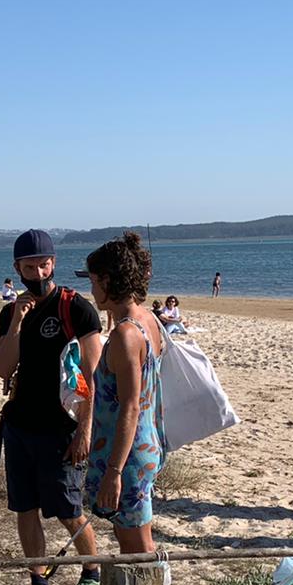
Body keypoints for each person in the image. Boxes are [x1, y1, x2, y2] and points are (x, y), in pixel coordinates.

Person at [0, 228, 104, 585]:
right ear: (17, 268)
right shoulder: (11, 311)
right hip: (21, 424)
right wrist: (16, 323)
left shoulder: (76, 308)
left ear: (53, 263)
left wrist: (85, 430)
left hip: (61, 428)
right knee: (24, 509)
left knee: (68, 510)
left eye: (43, 264)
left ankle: (92, 573)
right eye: (29, 266)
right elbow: (3, 368)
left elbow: (93, 376)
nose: (37, 273)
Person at [84, 234, 166, 553]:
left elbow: (130, 406)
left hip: (128, 454)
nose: (90, 291)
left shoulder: (126, 335)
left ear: (107, 280)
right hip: (143, 442)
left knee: (136, 547)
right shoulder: (146, 319)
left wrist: (113, 473)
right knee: (132, 538)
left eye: (93, 281)